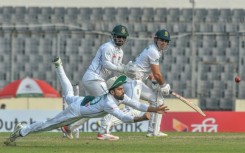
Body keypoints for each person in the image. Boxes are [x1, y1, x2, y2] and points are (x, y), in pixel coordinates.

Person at [4, 57, 169, 145]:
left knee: (68, 93)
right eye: (120, 88)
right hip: (77, 111)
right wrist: (143, 117)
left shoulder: (117, 96)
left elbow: (137, 104)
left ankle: (59, 66)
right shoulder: (110, 103)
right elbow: (125, 118)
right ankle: (21, 131)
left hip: (84, 101)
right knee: (49, 125)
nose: (123, 90)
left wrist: (154, 109)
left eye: (122, 88)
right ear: (112, 91)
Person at [61, 24, 136, 140]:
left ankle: (69, 127)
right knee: (110, 102)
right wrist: (123, 68)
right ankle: (103, 132)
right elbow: (106, 64)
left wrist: (127, 70)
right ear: (113, 36)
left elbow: (117, 68)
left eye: (123, 37)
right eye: (119, 36)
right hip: (93, 78)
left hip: (95, 80)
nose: (121, 39)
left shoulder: (120, 52)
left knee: (91, 109)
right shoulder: (107, 47)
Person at [98, 29, 172, 138]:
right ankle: (107, 121)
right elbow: (157, 74)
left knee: (157, 100)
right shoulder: (153, 51)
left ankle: (154, 131)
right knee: (131, 110)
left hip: (137, 80)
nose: (164, 42)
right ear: (156, 39)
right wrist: (163, 85)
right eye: (161, 40)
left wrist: (153, 79)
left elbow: (146, 71)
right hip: (132, 81)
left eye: (166, 41)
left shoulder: (156, 51)